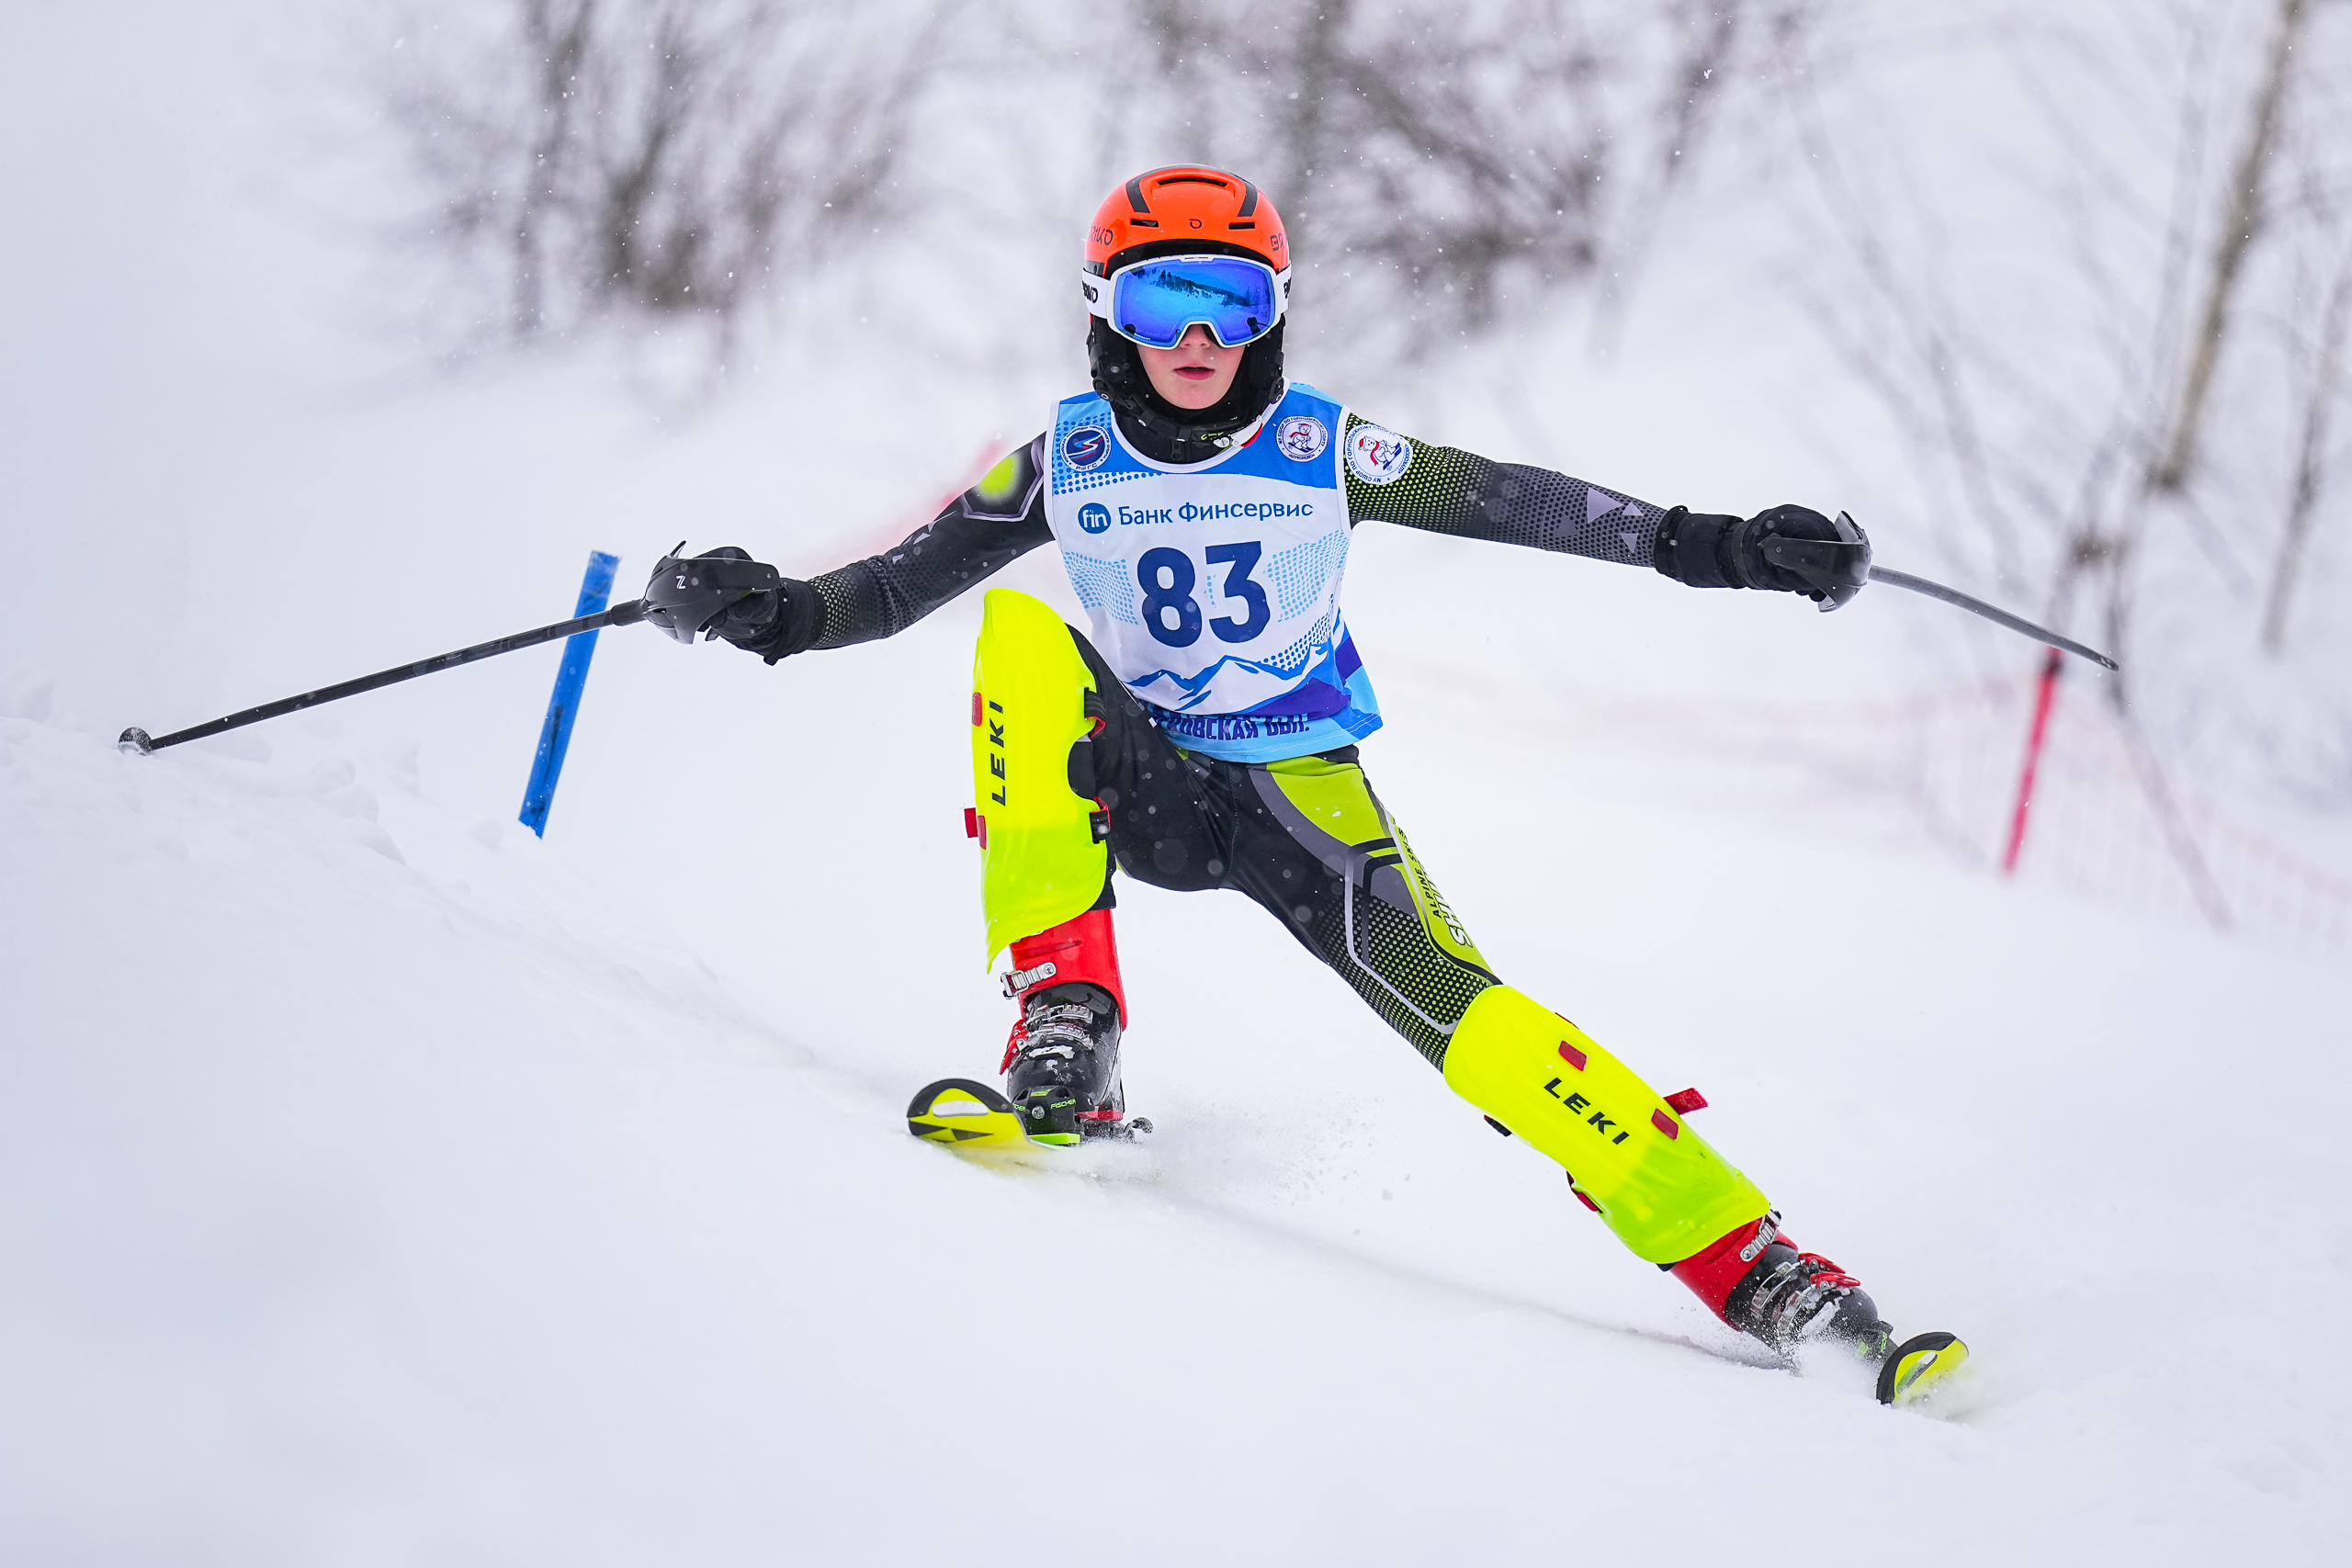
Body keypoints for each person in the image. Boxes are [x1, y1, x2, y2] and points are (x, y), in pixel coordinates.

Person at [643, 166, 1927, 1378]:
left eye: (1231, 303)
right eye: (1163, 301)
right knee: (1021, 640)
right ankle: (1067, 1022)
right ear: (1108, 316)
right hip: (1135, 774)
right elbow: (890, 585)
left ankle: (1763, 1270)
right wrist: (775, 610)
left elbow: (1514, 498)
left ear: (1271, 319)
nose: (1197, 338)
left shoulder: (1325, 448)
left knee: (1471, 1017)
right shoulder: (1068, 460)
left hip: (1297, 794)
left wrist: (1718, 546)